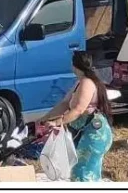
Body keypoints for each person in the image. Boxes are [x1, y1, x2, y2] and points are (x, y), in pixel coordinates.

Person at [39, 52, 114, 182]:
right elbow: (64, 104)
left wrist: (58, 122)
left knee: (83, 172)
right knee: (83, 170)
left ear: (74, 66)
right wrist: (46, 118)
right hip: (86, 132)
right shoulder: (79, 83)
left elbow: (78, 109)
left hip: (94, 134)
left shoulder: (87, 83)